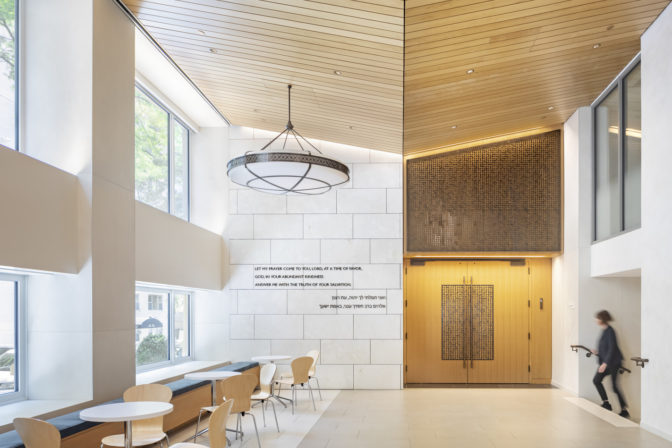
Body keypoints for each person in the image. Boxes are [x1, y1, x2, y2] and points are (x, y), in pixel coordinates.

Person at [591, 310, 629, 418]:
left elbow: (612, 349)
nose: (596, 320)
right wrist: (597, 352)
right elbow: (606, 348)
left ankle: (624, 409)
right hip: (607, 362)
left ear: (602, 319)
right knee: (596, 380)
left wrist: (605, 364)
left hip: (613, 363)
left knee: (614, 386)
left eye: (597, 318)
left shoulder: (610, 331)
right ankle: (606, 403)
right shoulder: (604, 331)